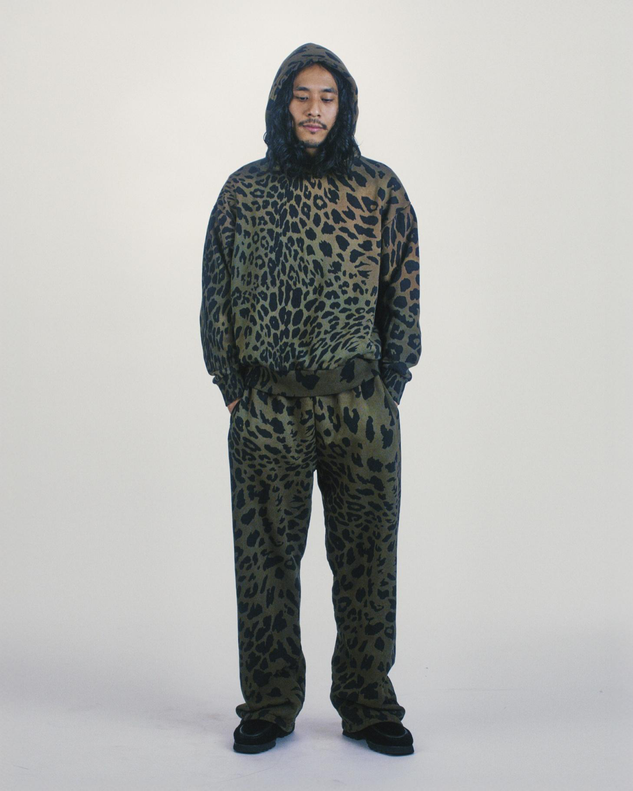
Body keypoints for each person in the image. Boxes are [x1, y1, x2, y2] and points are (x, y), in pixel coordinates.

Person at [200, 42, 420, 756]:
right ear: (282, 103)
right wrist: (234, 389)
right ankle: (268, 703)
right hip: (267, 407)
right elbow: (214, 295)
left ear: (343, 105)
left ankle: (367, 700)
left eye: (327, 96)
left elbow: (403, 293)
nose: (314, 109)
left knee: (367, 560)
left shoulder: (379, 188)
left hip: (359, 407)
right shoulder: (244, 191)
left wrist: (388, 388)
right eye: (302, 95)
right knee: (263, 561)